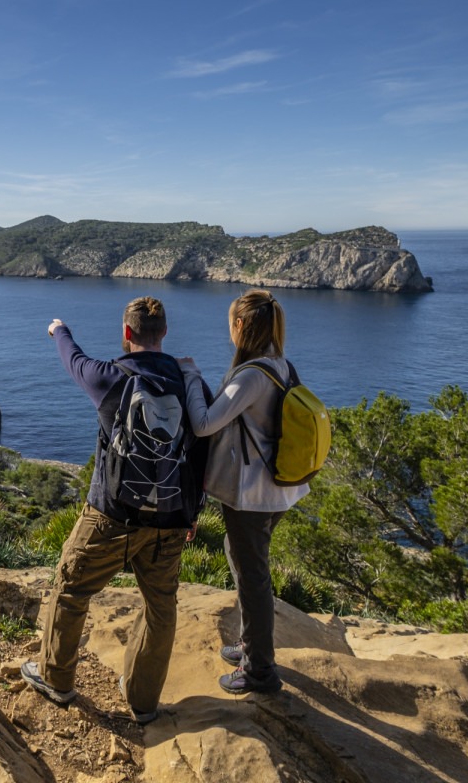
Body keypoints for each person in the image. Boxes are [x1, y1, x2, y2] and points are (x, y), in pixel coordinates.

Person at [21, 297, 203, 724]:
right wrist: (191, 512)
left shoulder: (111, 378)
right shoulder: (190, 383)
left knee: (70, 586)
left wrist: (58, 329)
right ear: (164, 335)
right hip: (170, 522)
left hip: (110, 516)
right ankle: (142, 702)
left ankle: (57, 680)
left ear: (127, 334)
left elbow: (73, 359)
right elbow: (202, 453)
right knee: (160, 608)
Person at [177, 289, 309, 695]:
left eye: (229, 322)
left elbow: (203, 425)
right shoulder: (280, 365)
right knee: (245, 566)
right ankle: (250, 646)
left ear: (239, 326)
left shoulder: (252, 375)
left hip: (252, 496)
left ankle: (260, 672)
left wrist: (190, 377)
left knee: (252, 577)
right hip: (277, 490)